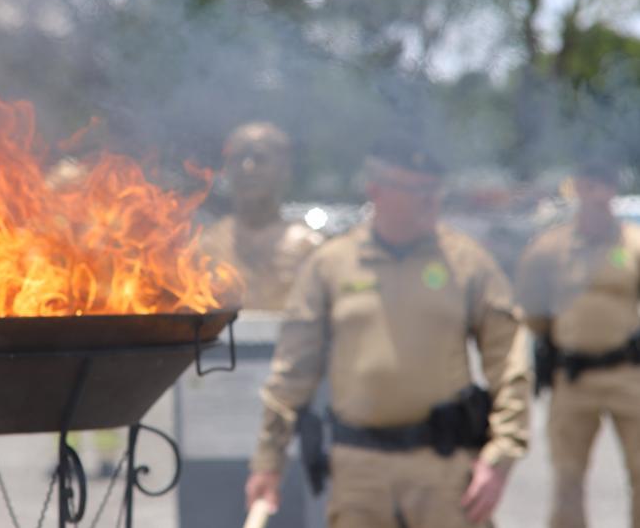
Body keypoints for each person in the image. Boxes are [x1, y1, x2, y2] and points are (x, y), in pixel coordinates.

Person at [244, 143, 531, 527]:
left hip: (444, 471)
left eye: (435, 191)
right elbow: (293, 370)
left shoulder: (467, 263)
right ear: (376, 190)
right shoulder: (331, 265)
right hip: (358, 474)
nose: (430, 202)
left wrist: (501, 457)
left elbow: (510, 359)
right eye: (416, 191)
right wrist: (268, 459)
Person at [516, 159, 640, 528]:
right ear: (578, 189)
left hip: (628, 375)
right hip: (572, 377)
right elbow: (532, 310)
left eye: (604, 186)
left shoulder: (633, 243)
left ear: (612, 191)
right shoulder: (549, 249)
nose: (597, 195)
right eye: (589, 185)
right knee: (567, 481)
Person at [201, 122, 323, 311]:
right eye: (237, 159)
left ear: (285, 169)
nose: (247, 167)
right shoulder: (204, 246)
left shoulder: (311, 248)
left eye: (260, 158)